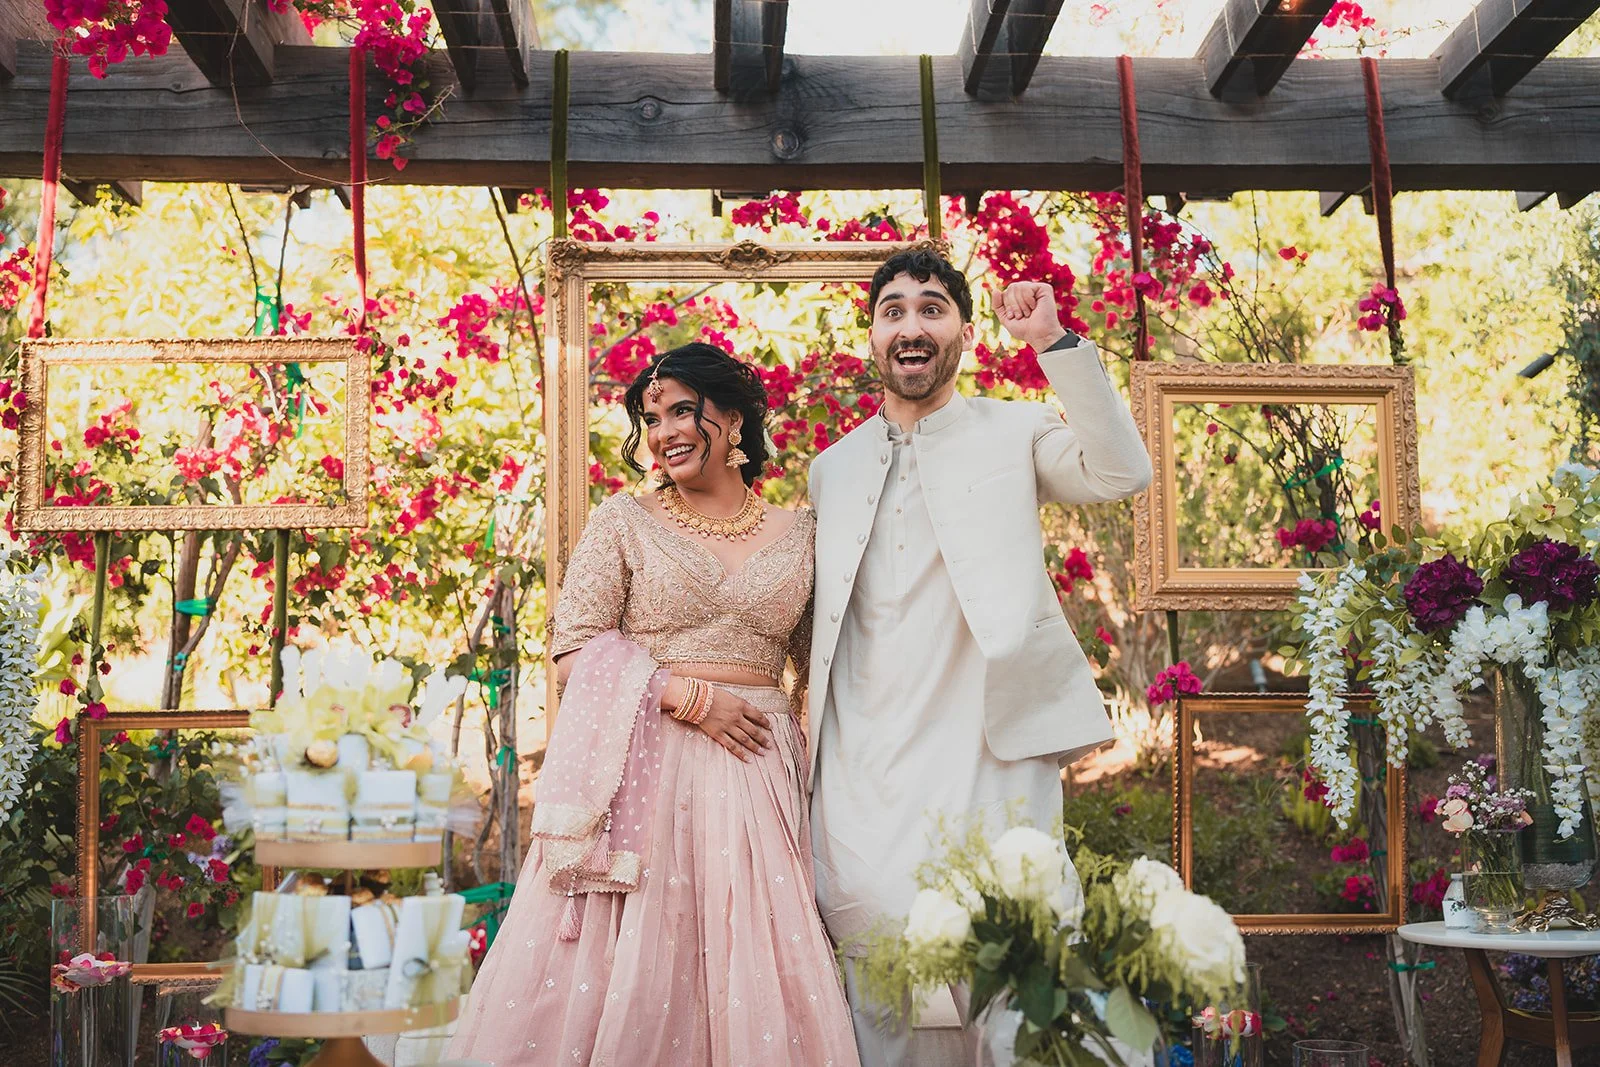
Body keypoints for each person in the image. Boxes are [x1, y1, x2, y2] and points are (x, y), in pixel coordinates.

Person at [450, 343, 860, 1067]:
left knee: (752, 958)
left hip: (759, 778)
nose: (664, 430)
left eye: (681, 410)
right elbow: (573, 649)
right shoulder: (625, 522)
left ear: (733, 420)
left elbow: (822, 664)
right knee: (640, 953)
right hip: (645, 769)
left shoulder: (803, 535)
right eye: (651, 417)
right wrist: (688, 696)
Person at [806, 250, 1153, 1065]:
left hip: (990, 758)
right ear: (874, 338)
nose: (911, 324)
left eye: (932, 307)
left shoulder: (1013, 429)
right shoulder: (833, 467)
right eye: (893, 310)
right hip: (862, 776)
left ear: (962, 330)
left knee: (1015, 985)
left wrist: (1053, 341)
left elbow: (1121, 470)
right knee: (886, 1003)